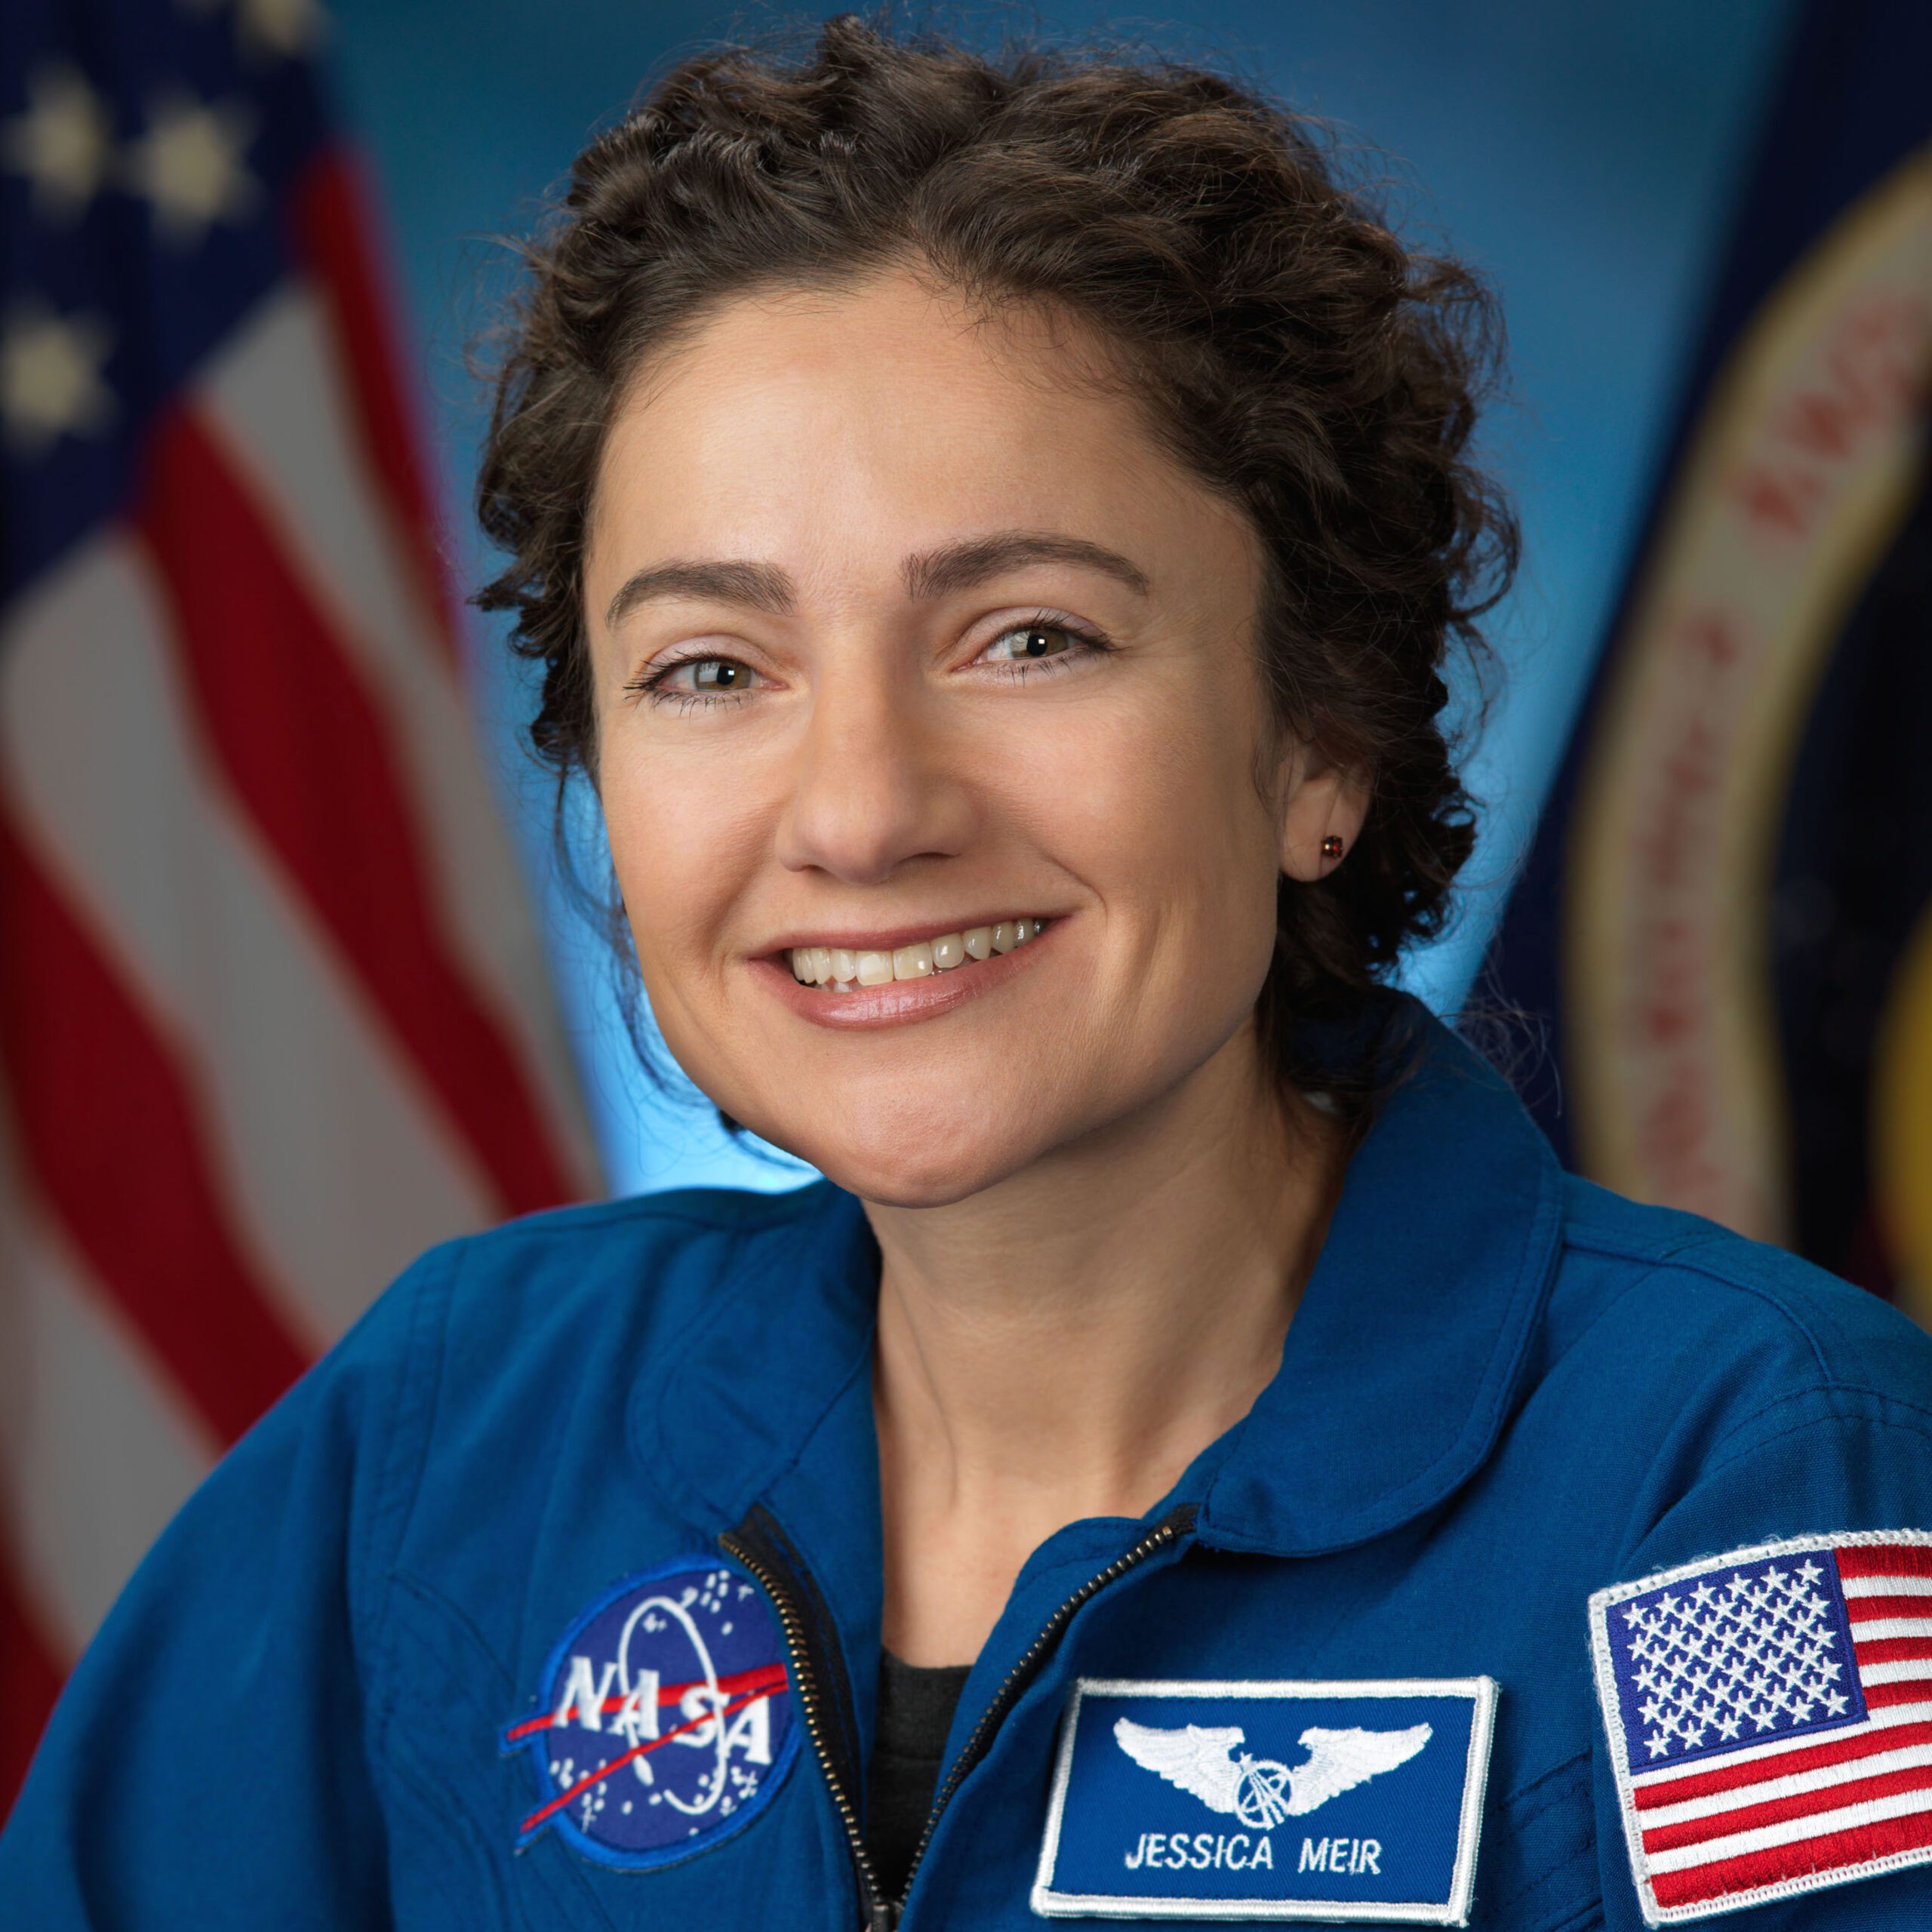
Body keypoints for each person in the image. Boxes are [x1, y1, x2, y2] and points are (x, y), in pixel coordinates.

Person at [6, 14, 1932, 1929]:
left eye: (1026, 637)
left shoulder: (1747, 1481)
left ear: (1321, 739)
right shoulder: (458, 1433)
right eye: (710, 669)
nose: (856, 809)